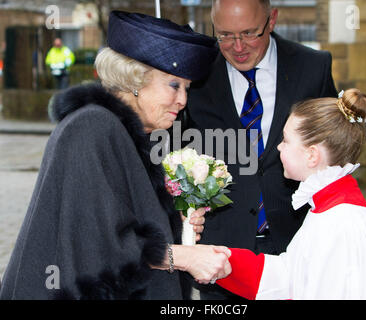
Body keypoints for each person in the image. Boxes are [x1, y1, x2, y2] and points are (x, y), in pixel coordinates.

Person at [0, 11, 231, 300]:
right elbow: (98, 244)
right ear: (134, 79)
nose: (183, 100)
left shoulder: (124, 131)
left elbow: (119, 218)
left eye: (186, 88)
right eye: (174, 85)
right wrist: (184, 257)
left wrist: (176, 219)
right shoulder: (92, 127)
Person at [186, 0, 337, 299]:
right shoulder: (195, 72)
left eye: (249, 33)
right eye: (225, 35)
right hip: (221, 252)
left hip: (296, 243)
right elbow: (176, 146)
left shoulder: (313, 67)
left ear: (272, 20)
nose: (237, 46)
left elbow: (333, 152)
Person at [215, 89, 366, 300]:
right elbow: (295, 275)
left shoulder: (339, 222)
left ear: (312, 155)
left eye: (285, 140)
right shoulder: (329, 206)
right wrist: (224, 262)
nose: (278, 147)